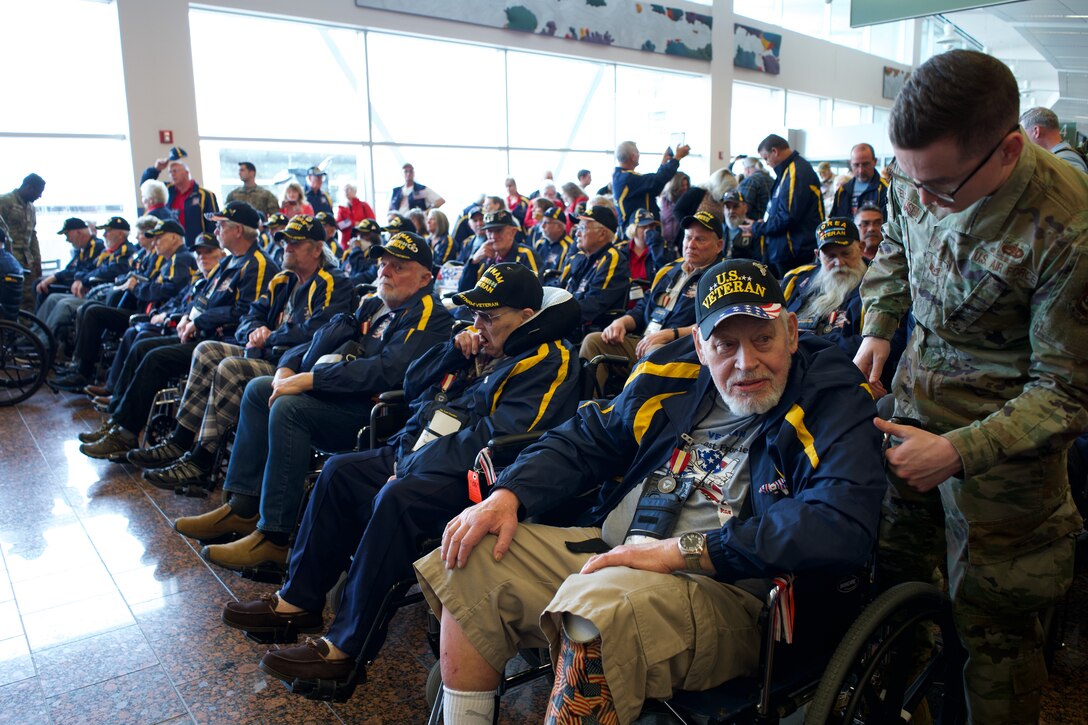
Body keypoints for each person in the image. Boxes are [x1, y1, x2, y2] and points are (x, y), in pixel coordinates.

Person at [415, 257, 885, 724]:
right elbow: (587, 436)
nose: (747, 363)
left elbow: (840, 522)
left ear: (791, 332)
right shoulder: (672, 373)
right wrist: (508, 495)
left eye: (763, 339)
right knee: (469, 551)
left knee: (596, 611)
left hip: (730, 588)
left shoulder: (830, 395)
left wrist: (679, 552)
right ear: (700, 346)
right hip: (622, 550)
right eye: (726, 345)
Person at [209, 264, 583, 691]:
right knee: (338, 471)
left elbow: (493, 441)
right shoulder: (481, 347)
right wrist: (452, 353)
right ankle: (297, 601)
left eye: (491, 317)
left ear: (528, 316)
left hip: (481, 479)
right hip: (420, 452)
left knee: (398, 498)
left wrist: (407, 468)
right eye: (476, 316)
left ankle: (345, 651)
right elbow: (412, 385)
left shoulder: (549, 361)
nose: (479, 326)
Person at [852, 49, 1088, 724]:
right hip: (910, 415)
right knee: (896, 597)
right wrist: (880, 322)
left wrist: (956, 452)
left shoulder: (1068, 229)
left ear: (1009, 151)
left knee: (996, 645)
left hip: (1002, 471)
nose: (924, 199)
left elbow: (1065, 391)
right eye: (910, 179)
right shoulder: (921, 171)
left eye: (942, 188)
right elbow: (896, 241)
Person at [191, 232, 453, 571]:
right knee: (260, 389)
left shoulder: (429, 313)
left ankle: (274, 537)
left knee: (289, 408)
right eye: (383, 264)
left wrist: (310, 379)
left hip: (378, 415)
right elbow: (322, 337)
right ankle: (243, 506)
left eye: (398, 267)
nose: (385, 272)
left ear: (425, 277)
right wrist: (289, 367)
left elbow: (386, 372)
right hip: (344, 396)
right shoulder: (375, 304)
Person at [127, 213, 354, 488]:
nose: (287, 248)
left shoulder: (334, 281)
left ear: (317, 248)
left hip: (295, 365)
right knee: (206, 350)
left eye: (295, 243)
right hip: (267, 353)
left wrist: (269, 336)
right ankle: (180, 440)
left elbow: (318, 331)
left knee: (231, 369)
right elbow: (249, 316)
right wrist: (255, 331)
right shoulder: (283, 280)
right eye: (284, 242)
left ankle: (202, 459)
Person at [80, 207, 278, 460]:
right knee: (142, 345)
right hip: (198, 332)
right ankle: (119, 423)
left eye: (221, 226)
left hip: (220, 340)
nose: (216, 231)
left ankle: (126, 433)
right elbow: (203, 297)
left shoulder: (258, 264)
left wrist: (200, 321)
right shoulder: (230, 260)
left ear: (237, 230)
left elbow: (246, 314)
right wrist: (187, 317)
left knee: (156, 358)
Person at [580, 209, 724, 391]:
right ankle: (587, 409)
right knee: (593, 342)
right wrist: (622, 322)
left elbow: (717, 324)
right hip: (646, 339)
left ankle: (630, 414)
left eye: (700, 239)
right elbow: (643, 307)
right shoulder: (668, 270)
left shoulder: (721, 277)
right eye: (688, 238)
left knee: (654, 352)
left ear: (718, 246)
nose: (691, 245)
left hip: (681, 348)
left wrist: (671, 334)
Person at [55, 217, 197, 394]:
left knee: (93, 312)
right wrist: (137, 285)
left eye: (159, 237)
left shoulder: (180, 259)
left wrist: (137, 287)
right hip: (150, 310)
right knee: (90, 309)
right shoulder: (168, 259)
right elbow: (138, 278)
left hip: (155, 313)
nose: (155, 242)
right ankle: (95, 377)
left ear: (175, 238)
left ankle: (86, 372)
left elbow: (168, 291)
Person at [741, 135, 823, 278]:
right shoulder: (788, 171)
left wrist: (757, 227)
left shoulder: (795, 172)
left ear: (775, 151)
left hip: (794, 251)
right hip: (786, 248)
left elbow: (787, 217)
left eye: (766, 158)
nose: (766, 163)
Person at [557, 205, 629, 337]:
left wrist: (555, 315)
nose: (577, 233)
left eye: (582, 228)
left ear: (602, 234)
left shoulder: (613, 258)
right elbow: (558, 286)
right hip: (566, 322)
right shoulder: (577, 258)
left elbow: (595, 303)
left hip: (586, 330)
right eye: (577, 228)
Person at [140, 147, 219, 248]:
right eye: (169, 172)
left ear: (187, 172)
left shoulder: (205, 195)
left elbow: (213, 224)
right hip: (173, 246)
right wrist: (156, 169)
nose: (172, 174)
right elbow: (146, 187)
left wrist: (212, 246)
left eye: (175, 171)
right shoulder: (167, 191)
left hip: (198, 245)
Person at [457, 210, 539, 299]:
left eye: (499, 231)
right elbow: (463, 290)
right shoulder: (483, 254)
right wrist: (473, 262)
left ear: (513, 232)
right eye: (489, 231)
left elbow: (535, 293)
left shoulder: (525, 254)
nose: (493, 236)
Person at [612, 140, 689, 232]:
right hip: (636, 232)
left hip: (636, 230)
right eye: (638, 152)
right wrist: (677, 158)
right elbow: (659, 179)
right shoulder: (628, 178)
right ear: (633, 156)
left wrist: (664, 163)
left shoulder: (622, 176)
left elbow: (655, 186)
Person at [0, 173, 45, 309]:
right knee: (10, 300)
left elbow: (33, 235)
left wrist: (37, 260)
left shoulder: (31, 208)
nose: (40, 196)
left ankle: (26, 329)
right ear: (28, 187)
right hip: (8, 261)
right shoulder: (5, 201)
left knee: (29, 298)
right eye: (38, 191)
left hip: (27, 261)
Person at [35, 218, 103, 306]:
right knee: (39, 283)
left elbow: (86, 268)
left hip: (82, 285)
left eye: (68, 235)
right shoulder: (81, 249)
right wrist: (55, 276)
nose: (67, 240)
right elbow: (71, 268)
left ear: (78, 232)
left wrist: (56, 276)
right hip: (73, 280)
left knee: (45, 289)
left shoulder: (96, 246)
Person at [1019, 106, 1088, 174]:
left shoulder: (1064, 160)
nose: (1023, 138)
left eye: (1023, 133)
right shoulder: (1061, 157)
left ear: (1036, 131)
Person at [831, 143, 890, 219]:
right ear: (850, 163)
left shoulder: (886, 189)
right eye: (856, 165)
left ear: (874, 162)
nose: (861, 170)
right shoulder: (842, 191)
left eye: (865, 164)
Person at [335, 183, 375, 249]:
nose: (346, 192)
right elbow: (339, 225)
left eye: (348, 189)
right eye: (344, 190)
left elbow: (372, 223)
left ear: (354, 191)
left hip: (364, 241)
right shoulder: (342, 209)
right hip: (346, 243)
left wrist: (361, 225)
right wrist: (352, 222)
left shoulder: (364, 206)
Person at [533, 206, 573, 273]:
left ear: (559, 227)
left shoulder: (569, 246)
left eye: (547, 222)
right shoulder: (539, 243)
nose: (542, 226)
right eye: (542, 222)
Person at [658, 170, 689, 244]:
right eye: (682, 185)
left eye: (686, 185)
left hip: (680, 240)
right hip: (665, 240)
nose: (685, 188)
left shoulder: (687, 200)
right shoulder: (664, 200)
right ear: (676, 185)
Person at [723, 190, 755, 260]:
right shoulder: (718, 231)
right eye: (727, 207)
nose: (731, 211)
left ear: (745, 208)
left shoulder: (754, 230)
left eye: (735, 207)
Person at [737, 157, 772, 222]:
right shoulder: (771, 179)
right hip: (769, 224)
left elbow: (743, 208)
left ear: (747, 169)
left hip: (752, 225)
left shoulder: (749, 181)